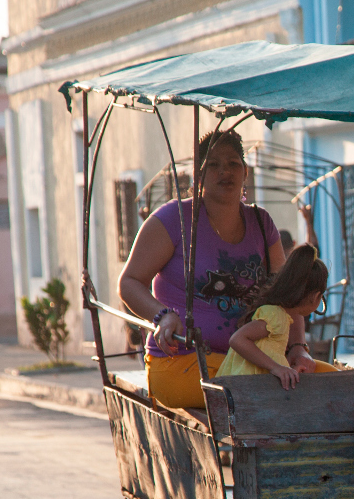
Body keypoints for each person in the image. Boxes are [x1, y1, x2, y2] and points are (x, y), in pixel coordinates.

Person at [118, 131, 314, 408]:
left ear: (245, 172)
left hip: (255, 360)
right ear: (198, 175)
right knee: (263, 394)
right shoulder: (172, 220)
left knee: (331, 384)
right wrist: (162, 316)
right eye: (213, 164)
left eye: (233, 163)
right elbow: (129, 282)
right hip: (183, 362)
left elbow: (287, 294)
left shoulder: (261, 222)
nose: (225, 172)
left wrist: (297, 349)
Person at [217, 244, 337, 388]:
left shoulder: (282, 316)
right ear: (316, 296)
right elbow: (237, 339)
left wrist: (289, 370)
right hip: (246, 390)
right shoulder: (277, 316)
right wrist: (276, 367)